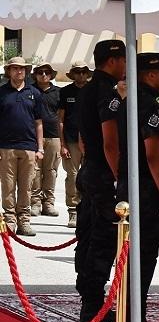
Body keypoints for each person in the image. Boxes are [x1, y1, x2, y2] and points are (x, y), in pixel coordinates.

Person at [115, 52, 159, 322]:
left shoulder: (128, 101)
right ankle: (133, 321)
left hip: (129, 183)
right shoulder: (148, 106)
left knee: (132, 255)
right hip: (146, 190)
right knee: (143, 255)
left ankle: (128, 316)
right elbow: (152, 155)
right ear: (150, 75)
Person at [74, 39, 126, 322]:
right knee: (102, 239)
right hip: (104, 173)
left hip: (90, 168)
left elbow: (84, 138)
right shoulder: (106, 93)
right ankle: (93, 303)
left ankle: (89, 298)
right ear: (112, 60)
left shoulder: (87, 90)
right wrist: (118, 178)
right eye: (123, 60)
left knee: (88, 235)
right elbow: (110, 143)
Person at [0, 57, 44, 237]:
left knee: (26, 186)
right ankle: (9, 220)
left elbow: (39, 123)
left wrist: (40, 148)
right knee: (8, 186)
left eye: (22, 69)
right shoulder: (1, 93)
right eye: (15, 68)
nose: (19, 71)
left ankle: (24, 220)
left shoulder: (34, 93)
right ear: (9, 71)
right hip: (6, 147)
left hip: (28, 147)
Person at [58, 61, 90, 228]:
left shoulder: (93, 90)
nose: (81, 75)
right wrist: (62, 144)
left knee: (89, 176)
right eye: (77, 72)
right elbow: (61, 120)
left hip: (90, 141)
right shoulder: (65, 92)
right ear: (73, 74)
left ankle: (87, 209)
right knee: (73, 176)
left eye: (84, 72)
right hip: (70, 140)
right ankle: (73, 211)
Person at [30, 62, 61, 218]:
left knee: (51, 171)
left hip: (54, 136)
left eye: (47, 72)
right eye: (40, 72)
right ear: (35, 74)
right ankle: (34, 202)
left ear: (51, 75)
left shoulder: (58, 92)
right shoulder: (30, 90)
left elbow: (63, 116)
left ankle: (48, 203)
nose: (43, 75)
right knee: (35, 171)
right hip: (33, 136)